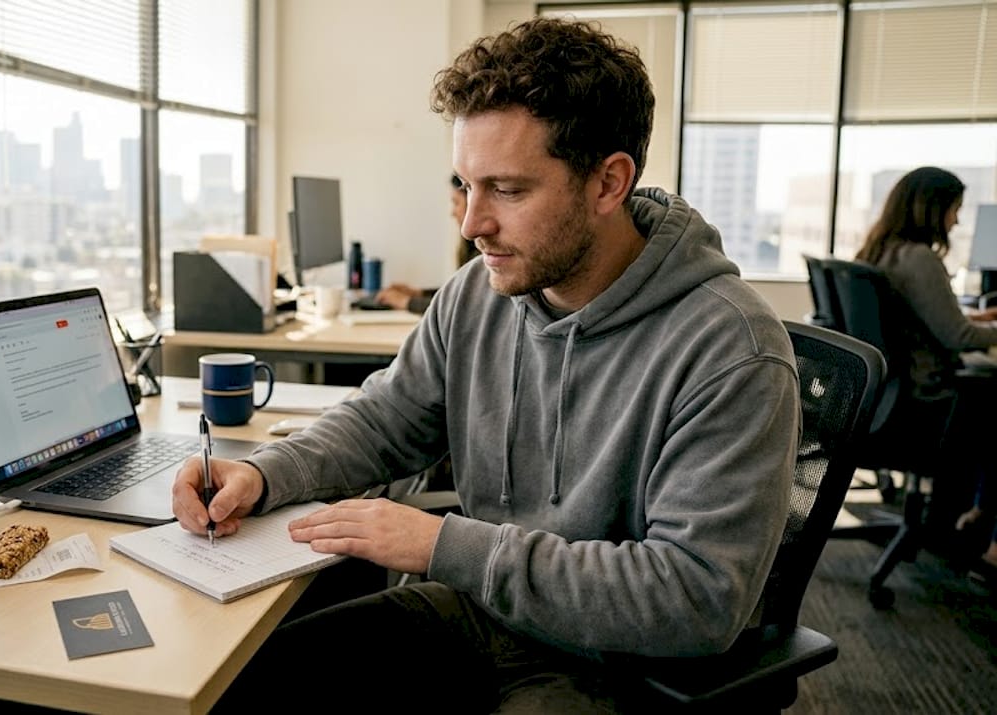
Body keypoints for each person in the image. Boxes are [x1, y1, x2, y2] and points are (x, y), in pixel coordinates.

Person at [173, 17, 799, 712]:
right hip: (477, 614)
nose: (471, 225)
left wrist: (447, 544)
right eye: (465, 186)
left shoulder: (732, 349)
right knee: (235, 689)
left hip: (611, 667)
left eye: (507, 189)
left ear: (608, 182)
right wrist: (263, 474)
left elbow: (695, 599)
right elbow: (385, 418)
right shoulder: (479, 292)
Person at [853, 166, 997, 584]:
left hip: (888, 403)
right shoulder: (920, 259)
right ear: (931, 209)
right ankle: (979, 528)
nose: (956, 220)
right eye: (954, 209)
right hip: (925, 408)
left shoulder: (882, 251)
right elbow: (957, 335)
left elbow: (927, 323)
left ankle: (966, 518)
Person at [375, 174, 480, 313]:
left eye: (456, 203)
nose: (452, 213)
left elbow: (462, 307)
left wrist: (406, 302)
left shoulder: (484, 255)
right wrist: (419, 293)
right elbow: (457, 294)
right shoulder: (469, 246)